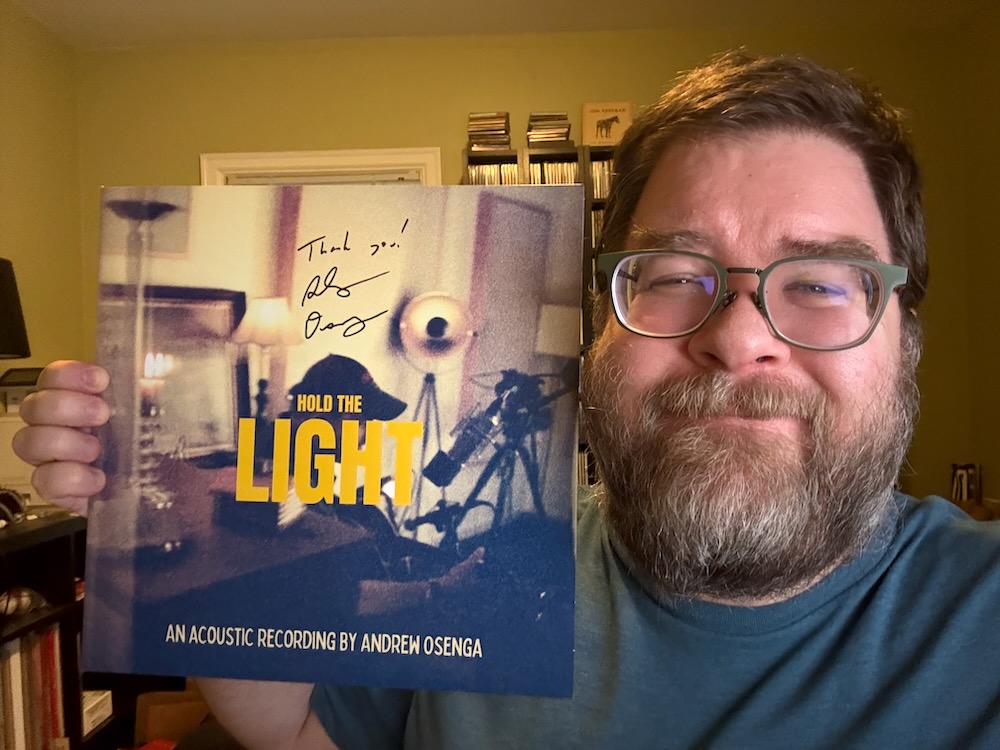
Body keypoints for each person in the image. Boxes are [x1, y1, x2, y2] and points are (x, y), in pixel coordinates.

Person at [13, 50, 1000, 748]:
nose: (737, 335)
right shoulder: (498, 570)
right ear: (602, 323)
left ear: (904, 336)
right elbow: (302, 727)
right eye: (669, 272)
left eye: (821, 283)